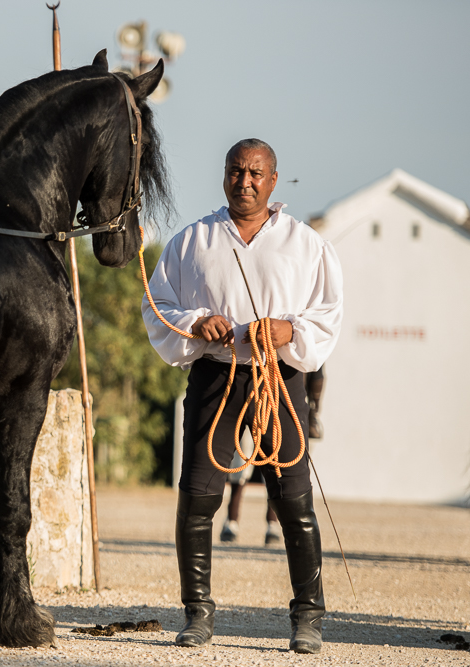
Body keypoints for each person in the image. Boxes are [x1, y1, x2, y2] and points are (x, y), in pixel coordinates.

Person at [142, 139, 343, 654]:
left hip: (280, 380)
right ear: (225, 176)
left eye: (256, 172)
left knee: (294, 500)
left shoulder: (306, 243)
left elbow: (327, 315)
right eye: (236, 171)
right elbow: (158, 304)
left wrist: (285, 329)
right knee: (198, 498)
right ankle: (198, 614)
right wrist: (196, 321)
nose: (245, 180)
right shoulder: (192, 241)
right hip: (216, 376)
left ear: (274, 181)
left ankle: (308, 617)